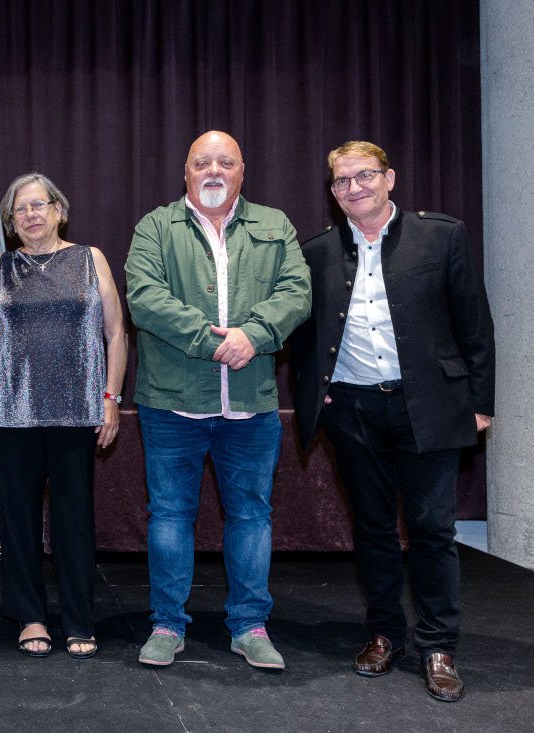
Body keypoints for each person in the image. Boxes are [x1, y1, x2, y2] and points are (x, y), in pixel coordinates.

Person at [290, 141, 494, 702]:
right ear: (332, 192)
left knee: (432, 530)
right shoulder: (317, 253)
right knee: (373, 529)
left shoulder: (442, 235)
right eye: (341, 181)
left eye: (364, 176)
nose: (353, 188)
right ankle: (384, 634)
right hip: (353, 410)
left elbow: (474, 322)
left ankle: (438, 645)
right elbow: (304, 342)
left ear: (390, 179)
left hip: (429, 405)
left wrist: (481, 402)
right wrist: (319, 401)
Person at [125, 130, 311, 670]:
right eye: (201, 162)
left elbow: (296, 292)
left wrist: (254, 335)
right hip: (172, 403)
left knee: (251, 515)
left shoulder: (275, 225)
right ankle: (167, 625)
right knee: (169, 516)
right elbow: (145, 299)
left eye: (224, 162)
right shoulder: (155, 227)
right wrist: (217, 342)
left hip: (250, 404)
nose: (213, 171)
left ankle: (250, 626)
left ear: (242, 171)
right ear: (185, 172)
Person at [0, 173, 127, 659]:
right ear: (11, 222)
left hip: (76, 411)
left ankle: (78, 620)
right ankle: (30, 617)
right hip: (13, 410)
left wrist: (110, 396)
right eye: (19, 210)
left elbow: (116, 333)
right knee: (20, 520)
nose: (29, 215)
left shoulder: (91, 259)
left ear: (58, 210)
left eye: (38, 205)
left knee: (74, 521)